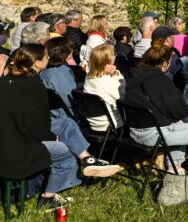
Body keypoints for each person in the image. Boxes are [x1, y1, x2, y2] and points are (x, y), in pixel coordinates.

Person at [0, 45, 121, 213]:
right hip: (17, 147)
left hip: (11, 134)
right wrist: (51, 137)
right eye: (46, 57)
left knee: (65, 122)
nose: (49, 59)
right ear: (36, 62)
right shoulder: (33, 84)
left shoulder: (7, 80)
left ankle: (87, 158)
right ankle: (48, 198)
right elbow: (39, 124)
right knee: (66, 152)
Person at [125, 44, 188, 187]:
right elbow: (177, 110)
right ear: (164, 63)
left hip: (134, 131)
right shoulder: (160, 80)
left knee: (178, 124)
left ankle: (175, 168)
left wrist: (184, 110)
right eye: (170, 61)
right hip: (154, 135)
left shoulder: (133, 76)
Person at [83, 43, 125, 132]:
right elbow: (125, 97)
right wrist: (117, 75)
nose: (115, 56)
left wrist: (114, 73)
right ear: (109, 60)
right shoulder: (108, 82)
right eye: (114, 54)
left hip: (93, 123)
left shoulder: (88, 77)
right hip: (111, 124)